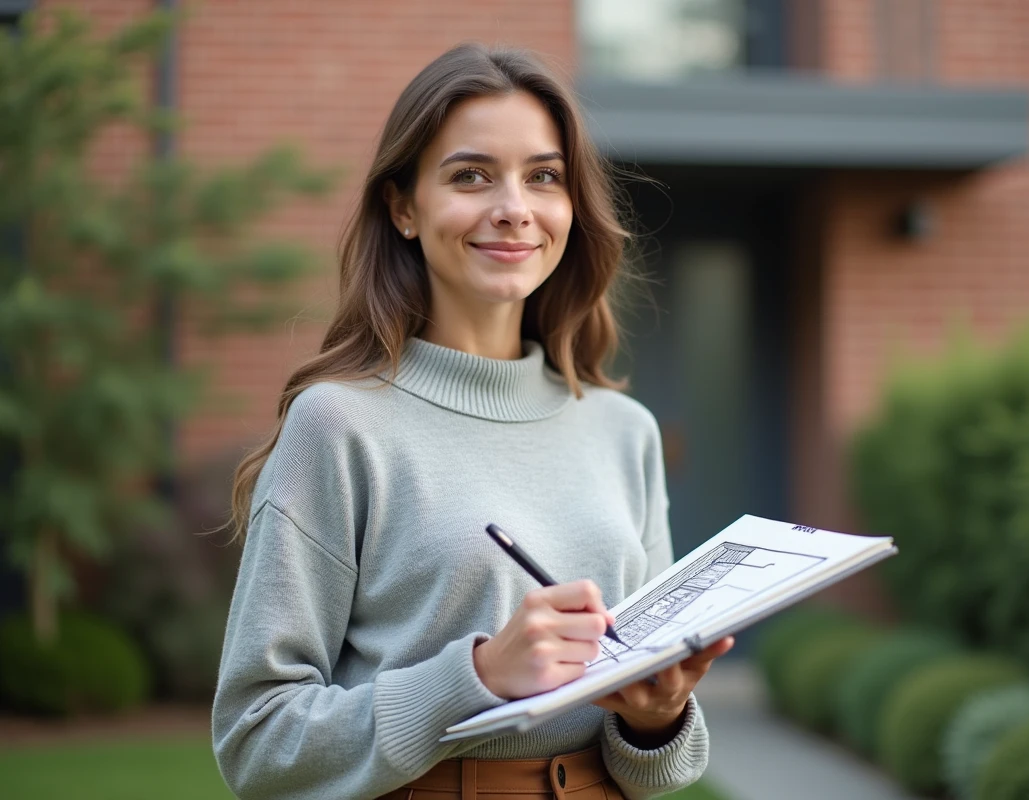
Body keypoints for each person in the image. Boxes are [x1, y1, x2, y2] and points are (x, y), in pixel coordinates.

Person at [211, 43, 734, 800]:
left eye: (543, 176)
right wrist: (478, 676)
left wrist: (658, 717)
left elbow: (662, 770)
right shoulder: (339, 425)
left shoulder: (625, 430)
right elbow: (257, 742)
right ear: (403, 207)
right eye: (470, 175)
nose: (515, 207)